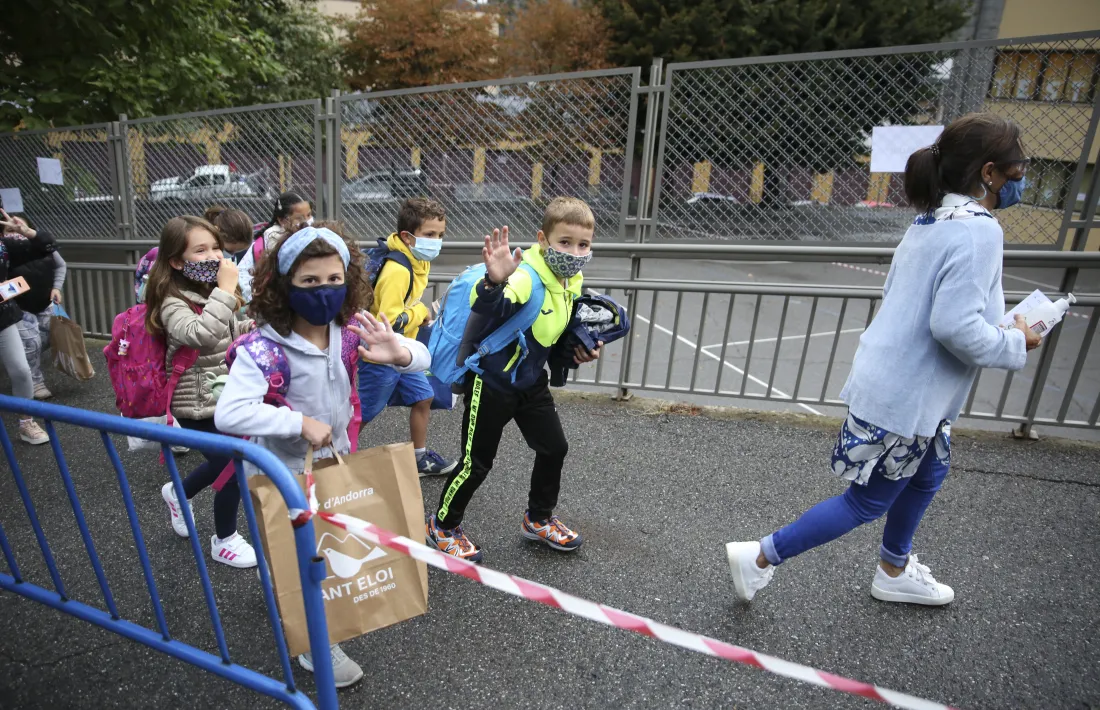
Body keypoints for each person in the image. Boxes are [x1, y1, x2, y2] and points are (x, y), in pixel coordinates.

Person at [725, 113, 1042, 607]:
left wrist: (1002, 333)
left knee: (929, 473)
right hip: (909, 396)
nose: (1020, 179)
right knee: (866, 501)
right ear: (988, 173)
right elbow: (953, 326)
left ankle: (894, 569)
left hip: (901, 386)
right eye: (1016, 170)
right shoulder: (979, 230)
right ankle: (761, 556)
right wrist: (1015, 341)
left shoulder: (931, 220)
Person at [215, 224, 430, 687]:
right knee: (297, 552)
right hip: (277, 471)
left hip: (332, 464)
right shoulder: (264, 348)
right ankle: (316, 643)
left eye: (333, 280)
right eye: (309, 281)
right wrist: (296, 424)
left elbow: (422, 359)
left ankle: (294, 595)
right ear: (283, 284)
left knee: (319, 553)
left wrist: (399, 353)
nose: (323, 291)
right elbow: (229, 414)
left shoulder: (350, 332)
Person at [427, 197, 602, 562]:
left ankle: (538, 519)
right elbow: (496, 305)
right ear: (543, 239)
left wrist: (577, 350)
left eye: (582, 244)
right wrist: (494, 280)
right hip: (492, 384)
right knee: (476, 462)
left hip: (529, 381)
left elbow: (550, 336)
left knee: (554, 448)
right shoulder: (526, 275)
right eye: (564, 242)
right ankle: (442, 526)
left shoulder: (572, 279)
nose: (574, 251)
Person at [145, 216, 257, 569]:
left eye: (216, 248)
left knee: (228, 462)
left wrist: (250, 325)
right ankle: (224, 540)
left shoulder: (207, 292)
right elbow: (200, 335)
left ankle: (178, 492)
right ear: (177, 261)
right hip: (193, 405)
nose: (213, 256)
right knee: (232, 466)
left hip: (222, 395)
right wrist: (225, 290)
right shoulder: (171, 301)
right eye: (201, 250)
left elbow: (224, 331)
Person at [360, 197, 456, 476]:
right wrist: (419, 312)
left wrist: (415, 312)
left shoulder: (415, 261)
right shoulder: (399, 270)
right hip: (382, 353)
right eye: (429, 235)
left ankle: (418, 459)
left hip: (403, 350)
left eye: (440, 235)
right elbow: (387, 321)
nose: (436, 241)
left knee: (423, 397)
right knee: (364, 413)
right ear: (408, 237)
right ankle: (333, 460)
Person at [1, 211, 65, 400]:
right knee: (31, 344)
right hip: (18, 308)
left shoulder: (24, 245)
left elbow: (50, 249)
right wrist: (15, 288)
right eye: (8, 230)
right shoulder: (6, 249)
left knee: (47, 338)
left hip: (42, 303)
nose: (13, 232)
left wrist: (56, 287)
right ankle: (35, 384)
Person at [0, 211, 52, 444]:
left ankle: (26, 423)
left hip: (4, 317)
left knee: (21, 370)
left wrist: (26, 231)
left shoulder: (3, 244)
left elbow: (46, 248)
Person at [237, 193, 312, 302]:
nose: (307, 221)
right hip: (249, 290)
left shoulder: (300, 233)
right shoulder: (275, 238)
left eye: (309, 215)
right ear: (282, 220)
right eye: (299, 218)